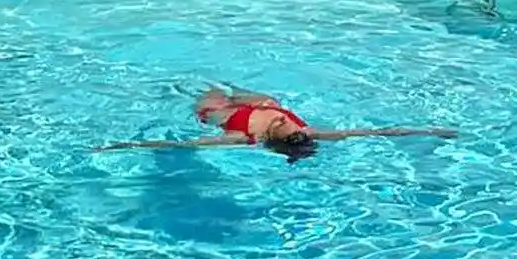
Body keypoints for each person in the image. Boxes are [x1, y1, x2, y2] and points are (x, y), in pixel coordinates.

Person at [96, 84, 456, 159]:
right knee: (263, 96)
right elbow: (370, 132)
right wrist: (427, 129)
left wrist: (125, 146)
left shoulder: (244, 137)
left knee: (201, 90)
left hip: (215, 110)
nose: (294, 123)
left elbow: (185, 145)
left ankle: (173, 88)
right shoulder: (305, 131)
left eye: (290, 127)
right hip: (254, 99)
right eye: (297, 126)